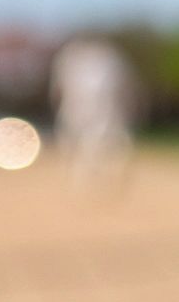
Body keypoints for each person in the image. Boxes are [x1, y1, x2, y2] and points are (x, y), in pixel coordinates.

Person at [50, 36, 138, 193]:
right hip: (79, 107)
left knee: (94, 142)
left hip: (96, 109)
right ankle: (85, 176)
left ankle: (87, 178)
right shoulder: (73, 59)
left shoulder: (103, 60)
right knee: (80, 142)